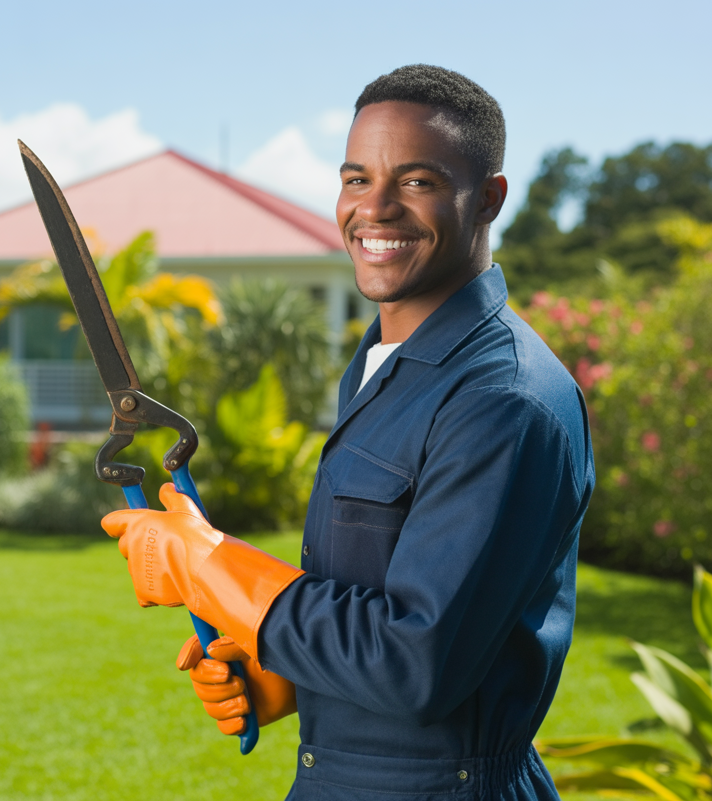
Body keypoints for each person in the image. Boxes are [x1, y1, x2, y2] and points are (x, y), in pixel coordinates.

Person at [101, 64, 595, 801]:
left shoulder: (503, 400)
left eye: (418, 181)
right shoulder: (380, 365)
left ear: (489, 199)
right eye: (357, 179)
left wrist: (210, 567)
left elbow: (416, 661)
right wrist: (286, 672)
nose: (376, 208)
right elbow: (374, 593)